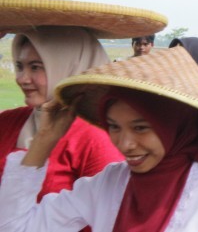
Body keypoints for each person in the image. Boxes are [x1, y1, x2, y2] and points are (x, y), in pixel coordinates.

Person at [0, 46, 198, 231]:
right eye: (114, 127)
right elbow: (18, 226)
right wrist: (44, 140)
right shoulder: (109, 183)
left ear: (176, 127)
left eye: (141, 128)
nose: (124, 144)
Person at [1, 27, 123, 206]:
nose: (22, 79)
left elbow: (108, 211)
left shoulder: (96, 136)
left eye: (35, 67)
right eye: (19, 66)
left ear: (70, 67)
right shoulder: (7, 122)